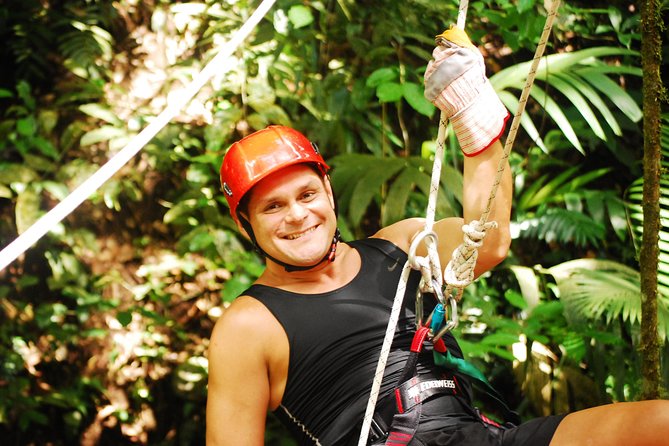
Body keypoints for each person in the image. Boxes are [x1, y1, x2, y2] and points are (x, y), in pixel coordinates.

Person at [206, 27, 669, 446]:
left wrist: (472, 113)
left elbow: (486, 242)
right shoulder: (248, 327)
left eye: (306, 194)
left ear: (327, 191)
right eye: (272, 207)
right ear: (245, 224)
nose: (297, 215)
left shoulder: (403, 246)